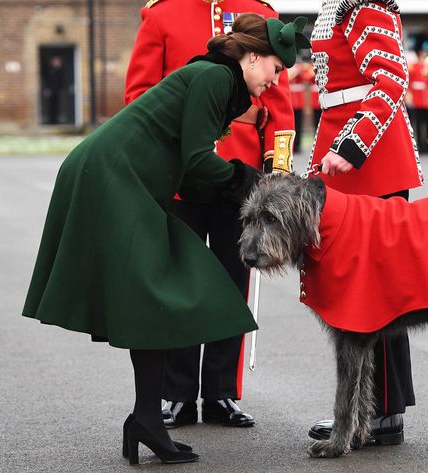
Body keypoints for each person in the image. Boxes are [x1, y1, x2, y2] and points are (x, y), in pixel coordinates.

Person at [22, 14, 309, 464]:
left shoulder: (219, 81)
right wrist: (250, 181)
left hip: (128, 177)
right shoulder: (216, 76)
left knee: (154, 297)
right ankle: (148, 419)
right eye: (275, 69)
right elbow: (197, 160)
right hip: (115, 176)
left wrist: (237, 189)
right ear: (252, 58)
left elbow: (189, 168)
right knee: (153, 291)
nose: (275, 82)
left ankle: (146, 419)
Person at [124, 0, 295, 429]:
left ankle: (220, 392)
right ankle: (178, 392)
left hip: (242, 174)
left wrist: (276, 171)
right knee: (179, 283)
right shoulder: (162, 14)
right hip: (182, 172)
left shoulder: (261, 14)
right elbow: (141, 95)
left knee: (232, 282)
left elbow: (280, 103)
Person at [306, 0, 423, 446]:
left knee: (379, 292)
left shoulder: (363, 7)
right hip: (344, 158)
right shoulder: (339, 8)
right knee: (356, 293)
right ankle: (361, 407)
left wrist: (353, 146)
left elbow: (390, 79)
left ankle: (382, 411)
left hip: (369, 165)